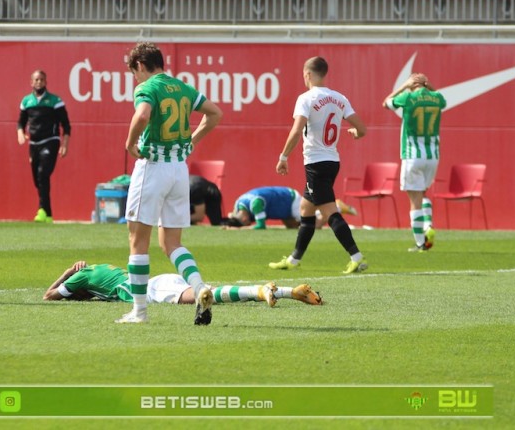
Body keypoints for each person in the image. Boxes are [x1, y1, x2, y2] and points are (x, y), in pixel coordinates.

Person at [120, 42, 222, 325]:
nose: (135, 78)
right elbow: (215, 113)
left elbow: (141, 115)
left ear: (140, 65)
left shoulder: (148, 88)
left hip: (153, 168)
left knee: (138, 242)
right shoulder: (183, 88)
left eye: (134, 72)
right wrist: (192, 140)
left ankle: (139, 312)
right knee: (172, 243)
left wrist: (129, 144)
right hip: (179, 170)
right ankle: (200, 287)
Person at [269, 56, 368, 274]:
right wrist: (355, 132)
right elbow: (361, 128)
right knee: (306, 208)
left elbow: (296, 131)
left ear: (308, 74)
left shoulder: (306, 98)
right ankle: (294, 259)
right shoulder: (339, 98)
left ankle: (356, 256)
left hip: (316, 162)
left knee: (329, 212)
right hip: (332, 161)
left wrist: (283, 156)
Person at [43, 260, 323, 306]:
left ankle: (261, 291)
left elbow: (49, 296)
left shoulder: (80, 276)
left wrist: (67, 272)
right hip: (161, 280)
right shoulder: (98, 270)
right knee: (212, 293)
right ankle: (287, 291)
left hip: (153, 290)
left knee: (210, 296)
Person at [383, 72, 447, 252]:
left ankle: (421, 242)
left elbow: (386, 103)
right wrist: (429, 86)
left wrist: (404, 86)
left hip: (413, 155)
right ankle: (428, 226)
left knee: (414, 199)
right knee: (423, 193)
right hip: (432, 155)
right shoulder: (436, 97)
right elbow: (442, 101)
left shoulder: (408, 97)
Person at [17, 69, 71, 223]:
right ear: (31, 82)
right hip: (34, 144)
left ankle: (41, 210)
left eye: (42, 79)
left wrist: (64, 144)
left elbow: (66, 125)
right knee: (38, 180)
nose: (39, 82)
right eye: (36, 80)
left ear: (46, 82)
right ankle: (48, 214)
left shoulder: (55, 101)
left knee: (42, 174)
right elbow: (20, 122)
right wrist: (20, 133)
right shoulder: (26, 101)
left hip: (51, 141)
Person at [225, 186, 358, 229]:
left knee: (312, 225)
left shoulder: (255, 204)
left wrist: (241, 229)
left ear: (242, 217)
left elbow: (261, 226)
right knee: (293, 226)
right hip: (282, 203)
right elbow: (232, 216)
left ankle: (337, 207)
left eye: (246, 222)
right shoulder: (238, 205)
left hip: (290, 200)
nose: (248, 223)